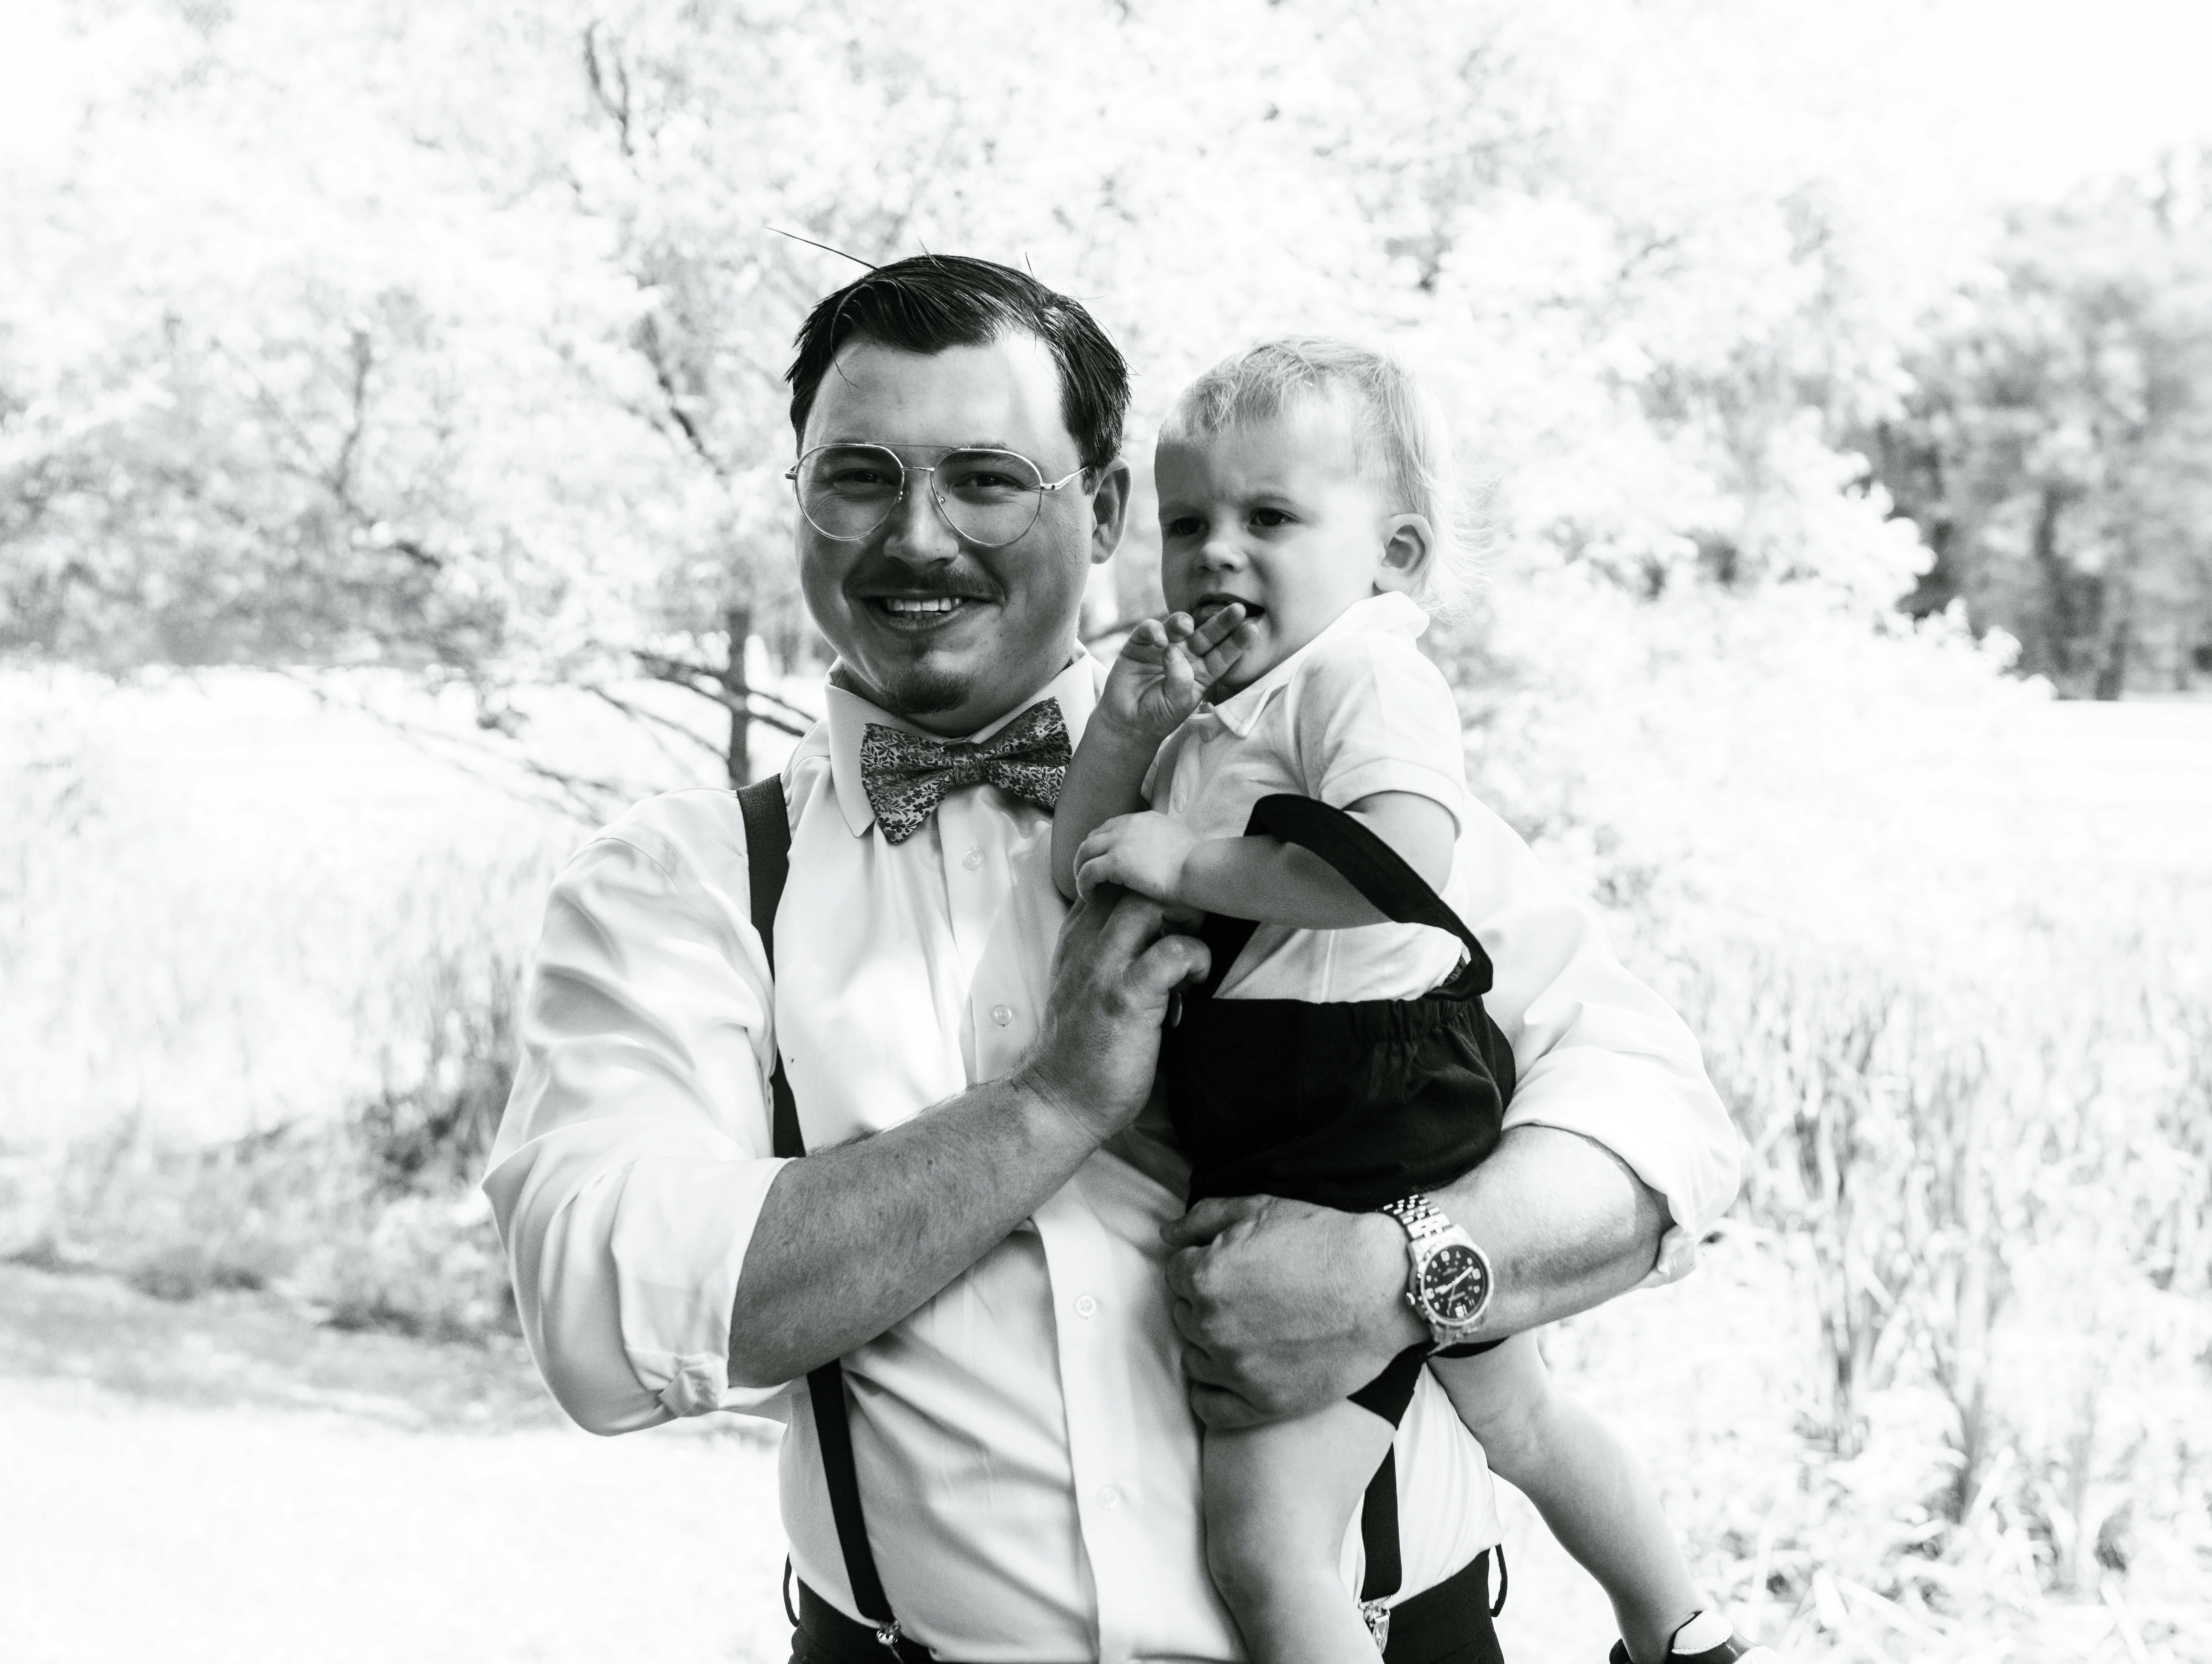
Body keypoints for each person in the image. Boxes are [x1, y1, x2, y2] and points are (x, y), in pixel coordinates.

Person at [483, 254, 1746, 1664]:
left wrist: (1409, 1269)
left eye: (986, 477)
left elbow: (1666, 1131)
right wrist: (1048, 1104)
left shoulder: (1295, 768)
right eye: (857, 476)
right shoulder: (683, 885)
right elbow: (606, 1311)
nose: (919, 535)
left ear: (1102, 511)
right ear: (797, 503)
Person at [1052, 338, 1773, 1664]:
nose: (1218, 551)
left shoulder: (1363, 675)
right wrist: (1120, 739)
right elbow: (1082, 870)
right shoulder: (1221, 716)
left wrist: (1196, 859)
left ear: (1392, 555)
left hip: (1353, 1099)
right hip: (1328, 1101)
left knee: (1268, 1547)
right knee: (1521, 1420)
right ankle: (1678, 1625)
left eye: (1271, 517)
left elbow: (1400, 859)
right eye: (1189, 521)